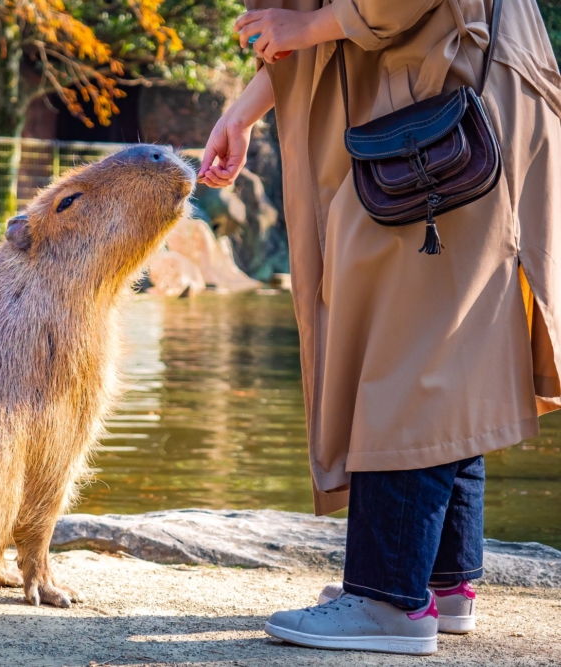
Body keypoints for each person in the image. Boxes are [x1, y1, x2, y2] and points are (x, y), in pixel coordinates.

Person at [200, 0, 561, 656]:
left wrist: (302, 28)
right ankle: (443, 580)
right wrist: (245, 109)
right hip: (450, 102)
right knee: (445, 348)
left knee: (404, 349)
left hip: (439, 113)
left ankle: (390, 597)